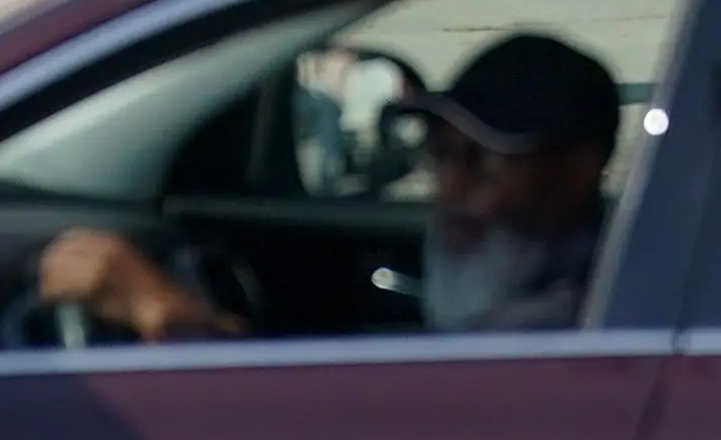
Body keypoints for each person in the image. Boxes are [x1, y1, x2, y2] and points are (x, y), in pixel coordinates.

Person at [33, 33, 622, 341]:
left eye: (486, 162)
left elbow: (362, 426)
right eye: (442, 154)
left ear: (578, 168)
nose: (451, 189)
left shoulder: (565, 321)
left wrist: (162, 310)